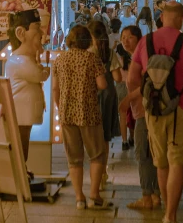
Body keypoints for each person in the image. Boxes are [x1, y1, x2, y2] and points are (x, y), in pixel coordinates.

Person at [128, 1, 183, 223]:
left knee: (160, 162)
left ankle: (164, 207)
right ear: (181, 18)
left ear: (162, 17)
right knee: (177, 163)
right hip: (182, 108)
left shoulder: (145, 41)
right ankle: (171, 217)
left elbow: (132, 78)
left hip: (153, 109)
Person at [52, 25, 113, 209]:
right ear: (87, 40)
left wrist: (60, 106)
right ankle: (94, 195)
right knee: (96, 154)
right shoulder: (91, 58)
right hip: (89, 112)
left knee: (74, 158)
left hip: (67, 113)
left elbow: (55, 88)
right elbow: (102, 84)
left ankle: (79, 198)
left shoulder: (60, 60)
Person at [119, 25, 161, 210]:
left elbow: (148, 83)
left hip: (145, 111)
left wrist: (128, 98)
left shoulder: (143, 55)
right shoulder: (133, 57)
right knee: (152, 154)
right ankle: (155, 195)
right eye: (123, 38)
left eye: (129, 37)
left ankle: (147, 196)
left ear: (138, 38)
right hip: (142, 111)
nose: (125, 41)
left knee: (143, 153)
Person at [5, 9, 50, 165]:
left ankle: (22, 168)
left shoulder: (24, 60)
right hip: (22, 111)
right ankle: (20, 169)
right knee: (21, 141)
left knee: (24, 140)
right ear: (21, 33)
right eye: (37, 28)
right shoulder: (20, 61)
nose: (42, 34)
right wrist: (45, 69)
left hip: (26, 111)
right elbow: (39, 74)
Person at [89, 20, 122, 188]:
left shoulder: (87, 53)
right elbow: (117, 78)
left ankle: (94, 171)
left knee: (92, 135)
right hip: (108, 96)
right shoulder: (110, 54)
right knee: (105, 137)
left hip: (91, 96)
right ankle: (102, 173)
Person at [114, 21, 134, 151]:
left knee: (122, 114)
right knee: (133, 113)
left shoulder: (117, 56)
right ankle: (133, 137)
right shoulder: (134, 57)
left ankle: (124, 141)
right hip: (132, 87)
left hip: (120, 86)